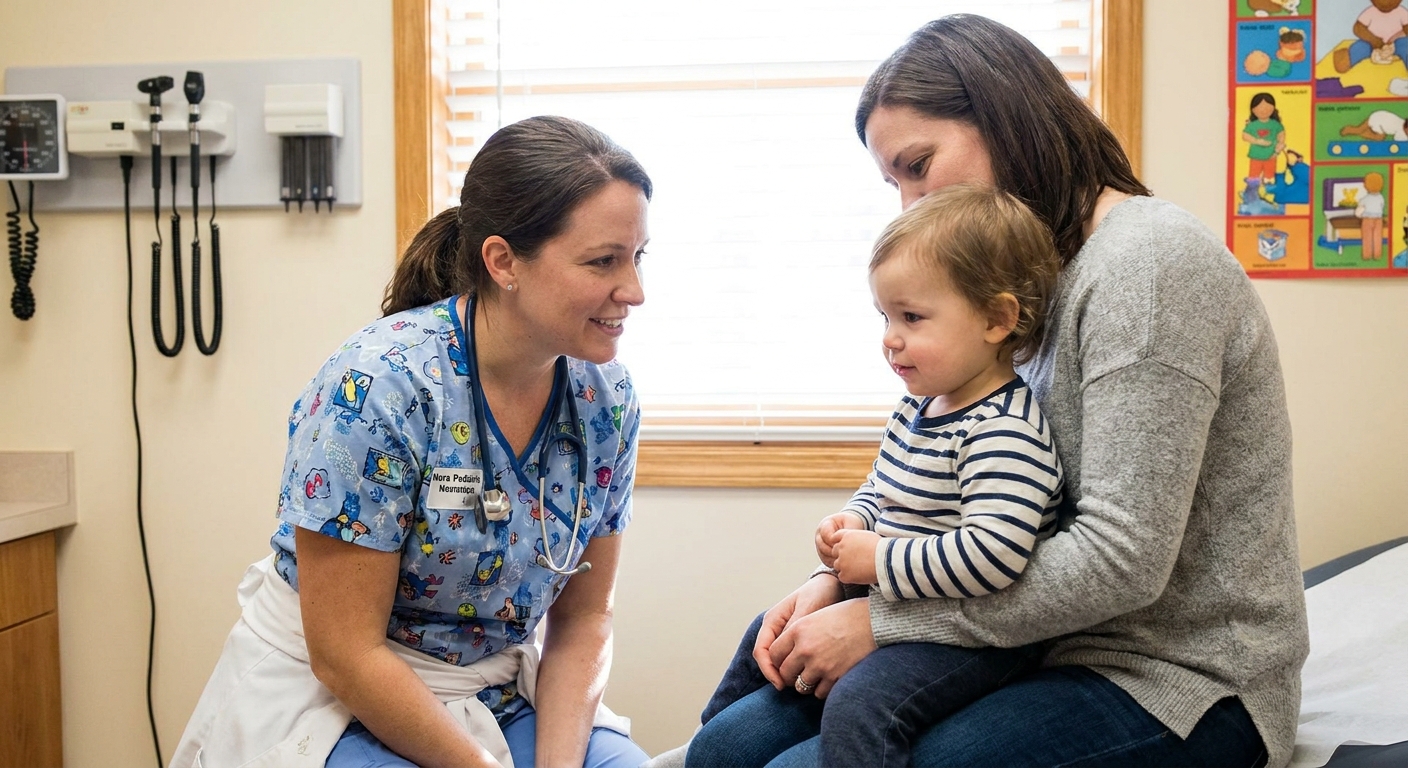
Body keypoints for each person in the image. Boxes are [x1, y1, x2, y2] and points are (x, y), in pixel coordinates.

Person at [681, 14, 1307, 768]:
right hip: (1027, 642)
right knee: (723, 749)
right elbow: (937, 463)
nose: (910, 205)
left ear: (1005, 118)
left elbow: (1120, 560)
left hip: (1177, 676)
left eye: (918, 165)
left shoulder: (1148, 267)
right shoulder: (1011, 282)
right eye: (893, 183)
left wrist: (884, 621)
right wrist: (828, 578)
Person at [171, 115, 653, 768]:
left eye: (637, 256)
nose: (636, 291)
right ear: (504, 261)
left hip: (496, 687)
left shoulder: (605, 400)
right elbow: (346, 653)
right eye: (603, 261)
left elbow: (584, 622)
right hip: (341, 694)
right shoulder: (380, 389)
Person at [689, 184, 1065, 768]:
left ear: (997, 318)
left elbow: (996, 554)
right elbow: (883, 487)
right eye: (885, 316)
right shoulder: (918, 408)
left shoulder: (1004, 431)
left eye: (912, 317)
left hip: (970, 639)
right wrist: (854, 520)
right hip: (898, 603)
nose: (890, 338)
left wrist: (878, 559)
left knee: (863, 706)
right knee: (764, 629)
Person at [1242, 93, 1286, 184]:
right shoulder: (1253, 125)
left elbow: (1281, 135)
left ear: (1273, 108)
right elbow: (1245, 135)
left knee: (1269, 176)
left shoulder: (1275, 124)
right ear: (1253, 110)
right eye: (1260, 107)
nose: (1264, 110)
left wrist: (1278, 149)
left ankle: (1268, 191)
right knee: (1253, 175)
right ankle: (1251, 191)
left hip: (1271, 155)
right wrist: (1256, 141)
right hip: (1255, 156)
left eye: (1267, 107)